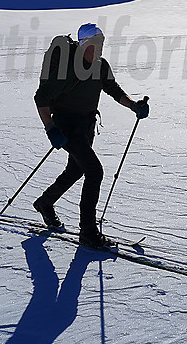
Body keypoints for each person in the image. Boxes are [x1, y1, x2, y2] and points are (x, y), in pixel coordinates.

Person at [33, 23, 149, 248]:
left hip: (86, 126)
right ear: (84, 44)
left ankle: (45, 203)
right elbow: (41, 99)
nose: (100, 47)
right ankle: (88, 232)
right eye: (96, 43)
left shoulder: (100, 66)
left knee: (76, 169)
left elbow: (113, 90)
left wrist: (134, 105)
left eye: (102, 42)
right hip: (66, 126)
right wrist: (50, 128)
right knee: (94, 172)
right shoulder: (68, 68)